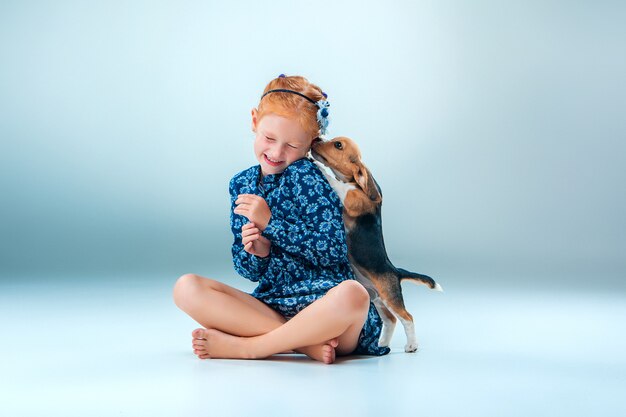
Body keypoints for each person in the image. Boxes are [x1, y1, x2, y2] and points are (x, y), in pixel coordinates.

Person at [172, 74, 391, 364]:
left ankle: (250, 348)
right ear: (254, 121)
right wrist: (258, 253)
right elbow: (248, 269)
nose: (276, 153)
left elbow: (333, 251)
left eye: (291, 145)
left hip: (325, 307)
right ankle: (303, 344)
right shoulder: (242, 184)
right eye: (269, 138)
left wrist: (272, 225)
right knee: (186, 287)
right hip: (274, 304)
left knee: (354, 294)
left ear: (310, 144)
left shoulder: (308, 177)